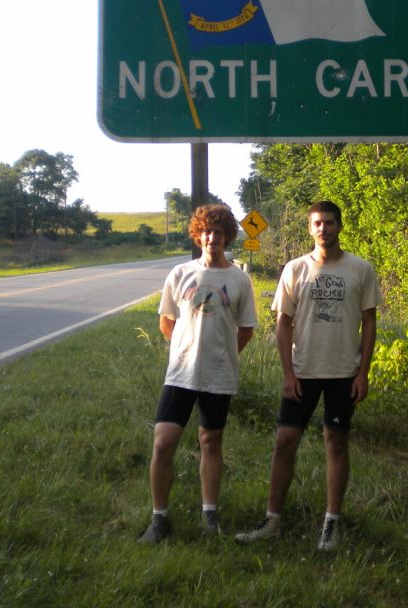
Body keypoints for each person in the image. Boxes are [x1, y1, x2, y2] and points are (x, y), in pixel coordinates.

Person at [236, 201, 381, 552]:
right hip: (302, 372)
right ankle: (272, 520)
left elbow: (369, 323)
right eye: (317, 223)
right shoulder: (295, 269)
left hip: (343, 372)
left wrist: (363, 373)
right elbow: (282, 324)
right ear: (309, 228)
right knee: (285, 441)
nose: (323, 229)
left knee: (336, 443)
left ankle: (332, 524)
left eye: (329, 223)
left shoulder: (360, 269)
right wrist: (288, 372)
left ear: (339, 226)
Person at [138, 203, 257, 544]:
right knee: (163, 443)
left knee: (211, 442)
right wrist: (186, 349)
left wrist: (221, 355)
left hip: (219, 376)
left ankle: (210, 515)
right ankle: (159, 519)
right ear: (198, 234)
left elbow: (246, 329)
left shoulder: (239, 279)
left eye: (218, 232)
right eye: (206, 231)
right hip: (180, 375)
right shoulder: (179, 273)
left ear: (226, 236)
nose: (212, 237)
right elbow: (166, 321)